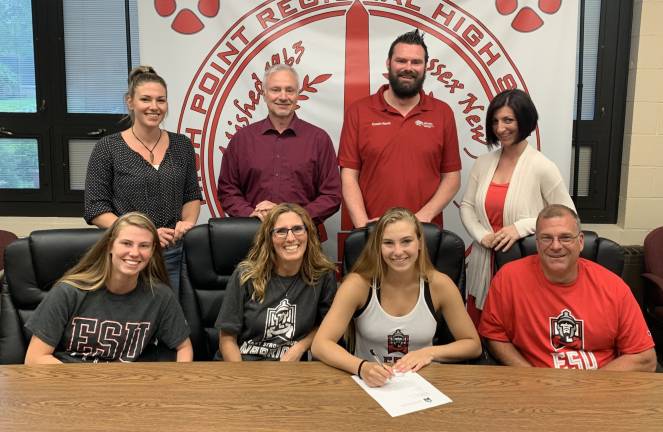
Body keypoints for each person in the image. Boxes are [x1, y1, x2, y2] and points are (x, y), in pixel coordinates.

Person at [311, 208, 481, 387]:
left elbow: (473, 345)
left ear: (420, 243)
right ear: (378, 246)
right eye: (388, 243)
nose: (398, 251)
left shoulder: (440, 285)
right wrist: (361, 367)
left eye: (406, 241)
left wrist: (429, 353)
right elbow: (320, 344)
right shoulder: (358, 284)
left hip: (425, 385)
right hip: (371, 384)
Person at [479, 204, 656, 371]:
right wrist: (531, 378)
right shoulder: (509, 278)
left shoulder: (614, 287)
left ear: (580, 242)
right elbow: (494, 336)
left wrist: (588, 387)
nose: (556, 246)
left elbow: (645, 358)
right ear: (537, 243)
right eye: (546, 238)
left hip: (600, 387)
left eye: (565, 237)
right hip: (534, 388)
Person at [460, 89, 575, 326]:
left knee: (516, 331)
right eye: (495, 121)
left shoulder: (542, 166)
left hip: (524, 268)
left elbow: (568, 215)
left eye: (508, 120)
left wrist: (520, 227)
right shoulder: (483, 163)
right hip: (481, 266)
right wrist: (482, 236)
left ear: (525, 120)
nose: (500, 128)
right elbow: (467, 207)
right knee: (479, 333)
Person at [84, 66, 202, 291]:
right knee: (131, 320)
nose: (154, 107)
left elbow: (191, 195)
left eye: (161, 100)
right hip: (128, 255)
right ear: (130, 102)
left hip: (173, 254)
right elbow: (95, 209)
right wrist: (143, 234)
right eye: (145, 99)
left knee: (168, 319)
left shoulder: (182, 145)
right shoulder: (107, 147)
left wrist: (186, 224)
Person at [24, 212, 193, 364]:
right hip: (71, 386)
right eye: (126, 243)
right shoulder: (68, 291)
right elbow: (35, 358)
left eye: (144, 245)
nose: (135, 253)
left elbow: (183, 348)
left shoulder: (160, 295)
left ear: (152, 250)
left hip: (132, 388)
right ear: (110, 245)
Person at [338, 29, 461, 228]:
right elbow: (348, 175)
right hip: (372, 231)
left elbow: (452, 177)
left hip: (424, 233)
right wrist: (364, 227)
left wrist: (422, 219)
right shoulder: (359, 112)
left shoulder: (443, 113)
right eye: (401, 60)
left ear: (425, 67)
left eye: (416, 62)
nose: (408, 67)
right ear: (389, 63)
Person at [217, 64, 341, 229]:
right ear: (264, 94)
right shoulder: (242, 140)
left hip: (303, 236)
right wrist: (250, 214)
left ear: (297, 95)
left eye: (289, 90)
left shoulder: (319, 139)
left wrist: (294, 218)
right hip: (253, 235)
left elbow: (331, 195)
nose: (283, 97)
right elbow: (228, 189)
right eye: (275, 89)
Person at [216, 203, 337, 361]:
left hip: (292, 372)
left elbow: (326, 327)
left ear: (309, 233)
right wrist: (243, 379)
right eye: (281, 231)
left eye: (297, 229)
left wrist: (300, 347)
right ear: (269, 238)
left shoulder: (323, 276)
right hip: (243, 365)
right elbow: (227, 339)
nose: (291, 238)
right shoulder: (246, 275)